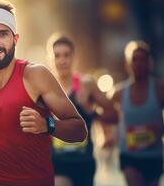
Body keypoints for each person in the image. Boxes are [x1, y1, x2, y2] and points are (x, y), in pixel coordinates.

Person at [0, 0, 87, 186]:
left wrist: (47, 125)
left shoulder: (36, 76)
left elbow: (79, 130)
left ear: (15, 39)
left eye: (3, 34)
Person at [46, 34, 118, 186]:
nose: (62, 60)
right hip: (57, 163)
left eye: (66, 55)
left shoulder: (86, 84)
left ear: (74, 58)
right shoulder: (46, 87)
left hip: (84, 162)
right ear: (50, 59)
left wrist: (91, 112)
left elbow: (114, 116)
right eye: (57, 56)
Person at [111, 41, 164, 186]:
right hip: (129, 156)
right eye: (135, 59)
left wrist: (162, 129)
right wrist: (108, 135)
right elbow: (105, 113)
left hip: (154, 155)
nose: (139, 63)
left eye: (143, 59)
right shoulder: (119, 93)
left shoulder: (161, 89)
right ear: (128, 64)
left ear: (150, 63)